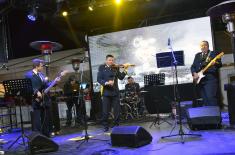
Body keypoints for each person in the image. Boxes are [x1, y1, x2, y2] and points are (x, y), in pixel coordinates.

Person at [25, 59, 60, 137]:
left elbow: (47, 85)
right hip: (36, 99)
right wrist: (35, 91)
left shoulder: (42, 75)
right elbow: (27, 87)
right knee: (37, 118)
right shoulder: (28, 75)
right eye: (41, 66)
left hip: (45, 98)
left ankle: (46, 134)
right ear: (36, 66)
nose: (42, 67)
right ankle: (38, 135)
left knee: (45, 117)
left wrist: (55, 82)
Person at [97, 54, 128, 132]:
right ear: (106, 60)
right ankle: (105, 125)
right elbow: (99, 79)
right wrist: (106, 82)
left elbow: (121, 77)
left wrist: (125, 70)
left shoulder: (115, 68)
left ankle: (116, 124)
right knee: (105, 111)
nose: (111, 61)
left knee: (117, 110)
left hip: (115, 92)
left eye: (112, 60)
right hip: (106, 93)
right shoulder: (102, 68)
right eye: (110, 60)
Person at [191, 40, 222, 106]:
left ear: (208, 46)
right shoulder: (197, 55)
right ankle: (209, 115)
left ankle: (215, 115)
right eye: (202, 46)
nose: (203, 47)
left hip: (210, 79)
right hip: (200, 80)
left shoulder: (213, 53)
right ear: (200, 47)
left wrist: (215, 63)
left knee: (211, 98)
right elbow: (193, 66)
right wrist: (194, 73)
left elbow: (220, 64)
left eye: (205, 45)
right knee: (205, 99)